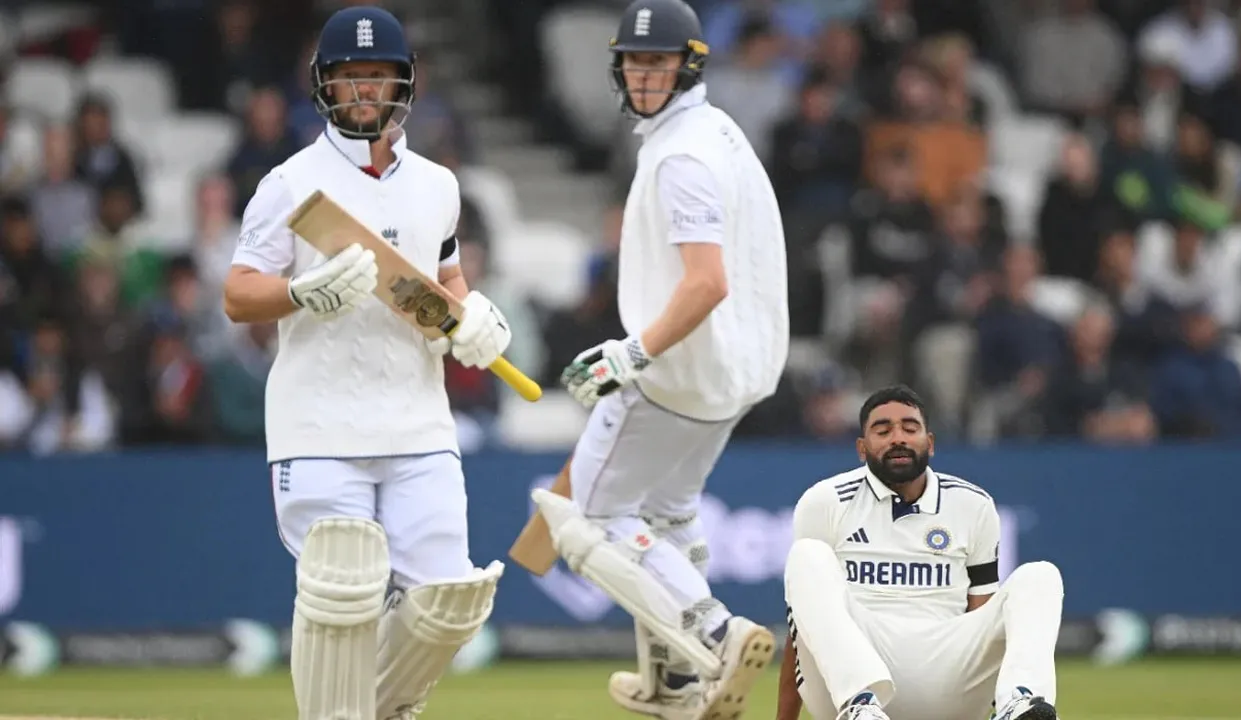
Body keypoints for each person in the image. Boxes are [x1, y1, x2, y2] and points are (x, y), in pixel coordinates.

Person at [220, 7, 511, 719]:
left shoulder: (438, 185)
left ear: (404, 83)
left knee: (447, 603)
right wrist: (299, 293)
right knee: (342, 594)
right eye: (349, 77)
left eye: (376, 76)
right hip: (319, 425)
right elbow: (237, 294)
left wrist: (473, 318)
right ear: (323, 85)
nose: (362, 90)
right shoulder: (289, 184)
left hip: (418, 421)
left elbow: (445, 281)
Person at [529, 0, 790, 717]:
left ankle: (716, 634)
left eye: (658, 62)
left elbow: (707, 282)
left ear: (689, 66)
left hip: (675, 373)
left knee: (585, 518)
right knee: (669, 517)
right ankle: (671, 684)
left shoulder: (682, 157)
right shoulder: (717, 131)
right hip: (730, 376)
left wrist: (630, 354)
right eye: (634, 62)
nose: (644, 75)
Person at [778, 385, 1063, 720]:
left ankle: (1020, 702)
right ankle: (860, 706)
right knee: (807, 555)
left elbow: (983, 619)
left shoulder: (973, 504)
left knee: (1040, 575)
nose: (897, 438)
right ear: (861, 448)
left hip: (947, 674)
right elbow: (805, 627)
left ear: (930, 443)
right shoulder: (826, 501)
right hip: (857, 672)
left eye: (910, 428)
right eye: (883, 430)